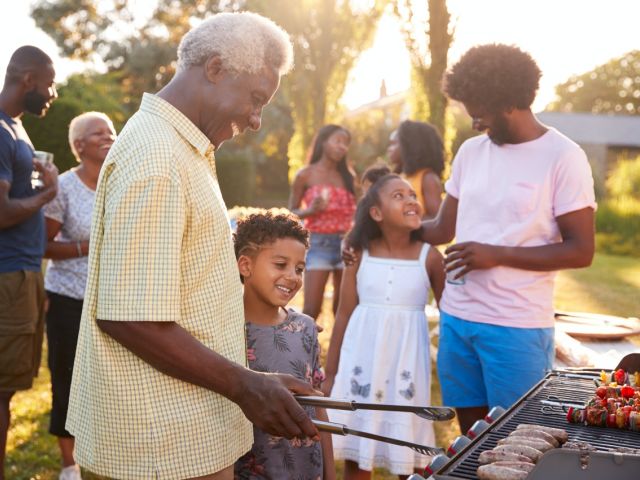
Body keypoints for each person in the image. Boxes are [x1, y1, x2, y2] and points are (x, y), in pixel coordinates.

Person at [66, 13, 320, 480]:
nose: (257, 120)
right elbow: (131, 317)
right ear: (217, 69)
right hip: (157, 446)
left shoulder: (183, 149)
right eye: (256, 99)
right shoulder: (158, 159)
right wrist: (246, 386)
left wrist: (255, 381)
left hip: (183, 433)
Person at [422, 44, 596, 433]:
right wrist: (374, 225)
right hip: (457, 318)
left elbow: (581, 250)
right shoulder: (471, 152)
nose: (473, 122)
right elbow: (442, 229)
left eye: (478, 112)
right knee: (470, 438)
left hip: (515, 326)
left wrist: (496, 254)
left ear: (507, 103)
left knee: (516, 438)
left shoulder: (563, 157)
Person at [324, 174, 445, 478]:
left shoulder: (429, 258)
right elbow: (343, 315)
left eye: (412, 195)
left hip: (406, 364)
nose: (411, 200)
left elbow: (450, 314)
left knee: (408, 454)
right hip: (362, 362)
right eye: (398, 196)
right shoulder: (358, 254)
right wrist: (330, 373)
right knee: (358, 449)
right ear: (376, 213)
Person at [233, 211, 336, 480]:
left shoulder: (306, 329)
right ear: (246, 266)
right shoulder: (226, 331)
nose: (292, 277)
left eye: (299, 269)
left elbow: (318, 404)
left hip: (306, 469)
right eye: (280, 265)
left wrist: (331, 472)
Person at [42, 112, 116, 480]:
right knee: (67, 377)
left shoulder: (123, 181)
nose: (108, 136)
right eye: (97, 132)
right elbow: (44, 244)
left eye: (111, 131)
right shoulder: (64, 188)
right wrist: (90, 246)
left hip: (113, 300)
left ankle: (105, 450)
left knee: (108, 379)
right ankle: (70, 464)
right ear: (78, 146)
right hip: (69, 299)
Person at [0, 45, 58, 480]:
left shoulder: (16, 128)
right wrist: (46, 196)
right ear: (27, 80)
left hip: (23, 272)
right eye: (49, 83)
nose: (53, 93)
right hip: (7, 274)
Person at [288, 124, 357, 320]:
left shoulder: (349, 177)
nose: (342, 147)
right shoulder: (305, 175)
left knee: (342, 310)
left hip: (346, 245)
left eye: (346, 143)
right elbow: (291, 212)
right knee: (311, 309)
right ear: (324, 142)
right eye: (338, 141)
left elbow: (357, 211)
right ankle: (305, 350)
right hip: (318, 243)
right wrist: (310, 210)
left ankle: (342, 351)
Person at [387, 120, 444, 219]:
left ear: (410, 146)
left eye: (394, 144)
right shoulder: (398, 177)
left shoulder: (428, 178)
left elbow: (437, 221)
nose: (389, 149)